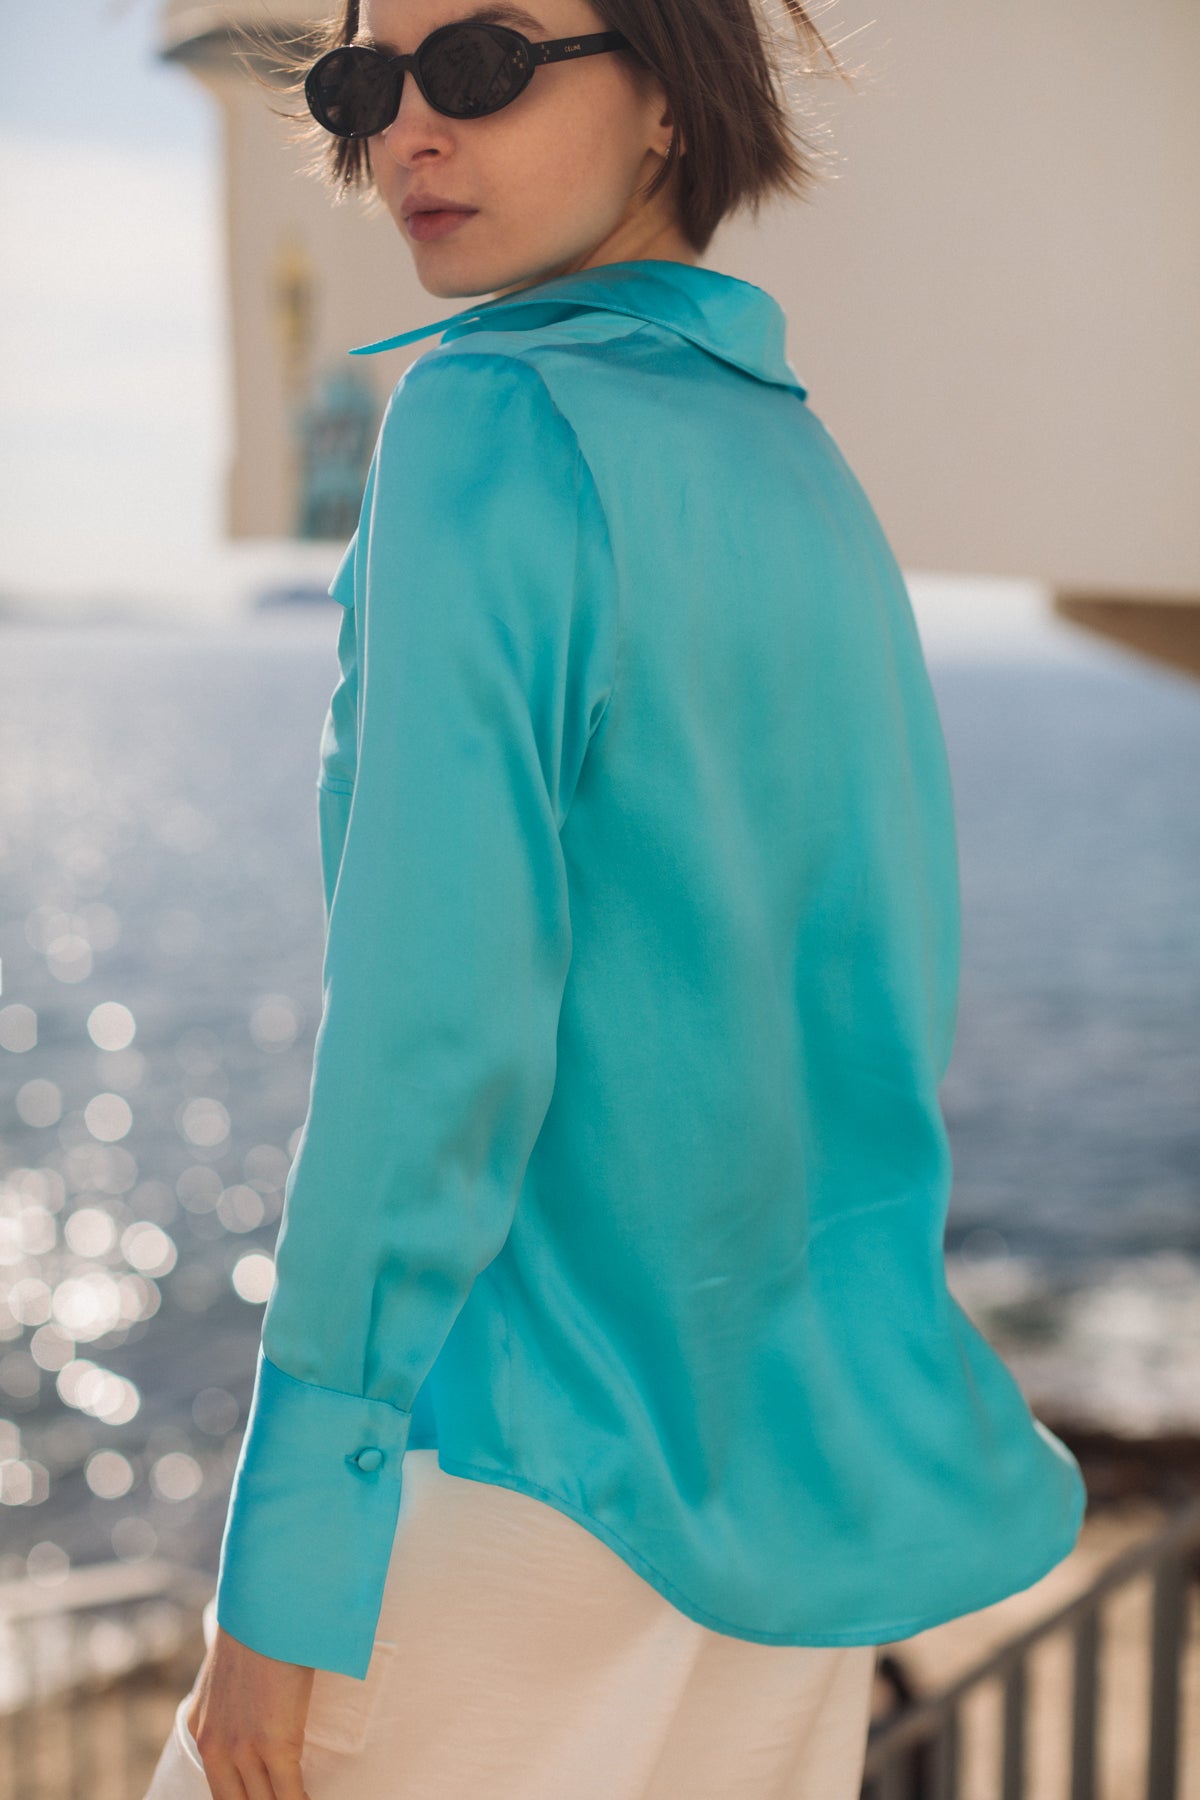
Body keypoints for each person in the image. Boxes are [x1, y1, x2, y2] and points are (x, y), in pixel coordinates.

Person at [143, 0, 1089, 1795]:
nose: (410, 131)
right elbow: (872, 1011)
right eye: (365, 83)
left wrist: (286, 1563)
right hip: (783, 1521)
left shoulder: (479, 418)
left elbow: (433, 1038)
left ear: (668, 95)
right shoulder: (805, 475)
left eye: (482, 64)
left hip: (512, 1474)